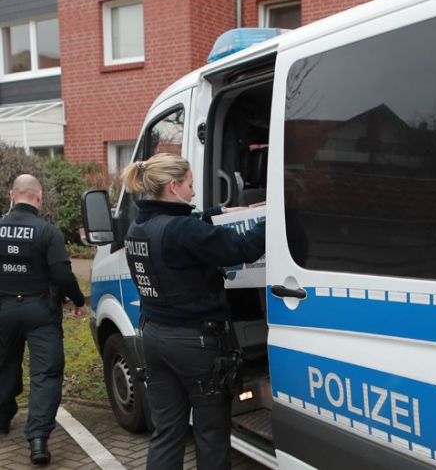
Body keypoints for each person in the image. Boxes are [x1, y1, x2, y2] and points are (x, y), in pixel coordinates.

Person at [121, 153, 265, 470]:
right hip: (194, 345)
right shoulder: (182, 231)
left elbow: (184, 233)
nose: (194, 192)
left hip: (154, 339)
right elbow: (241, 248)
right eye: (189, 184)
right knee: (211, 434)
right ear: (173, 186)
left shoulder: (138, 226)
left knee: (167, 432)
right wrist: (278, 218)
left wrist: (219, 213)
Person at [0, 174, 86, 465]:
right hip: (41, 312)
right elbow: (63, 274)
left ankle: (2, 418)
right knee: (46, 374)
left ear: (12, 196)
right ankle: (38, 439)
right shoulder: (48, 232)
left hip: (3, 310)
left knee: (4, 364)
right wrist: (78, 301)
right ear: (39, 198)